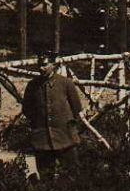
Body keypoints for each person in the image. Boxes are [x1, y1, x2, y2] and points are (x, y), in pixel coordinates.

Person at [20, 49, 84, 177]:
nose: (41, 68)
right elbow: (27, 109)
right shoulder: (32, 85)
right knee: (45, 176)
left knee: (72, 174)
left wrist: (65, 125)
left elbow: (76, 107)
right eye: (39, 65)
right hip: (42, 140)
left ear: (53, 65)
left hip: (65, 138)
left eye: (44, 65)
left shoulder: (66, 83)